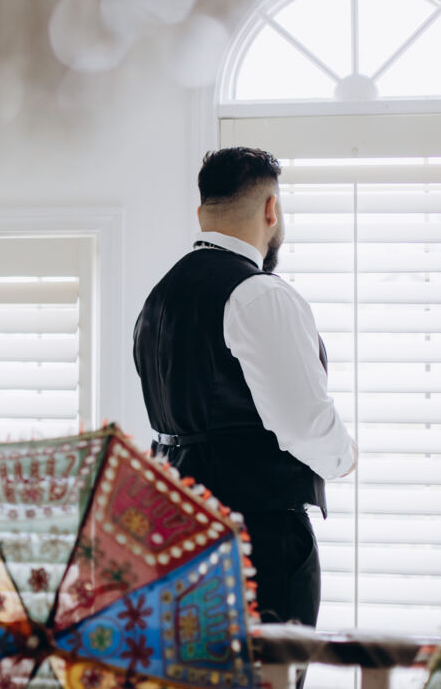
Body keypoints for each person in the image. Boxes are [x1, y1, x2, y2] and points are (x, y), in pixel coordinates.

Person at [133, 147, 357, 651]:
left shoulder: (157, 301)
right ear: (271, 209)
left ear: (201, 214)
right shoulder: (259, 294)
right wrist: (345, 457)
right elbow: (303, 424)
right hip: (256, 545)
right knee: (269, 677)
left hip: (174, 541)